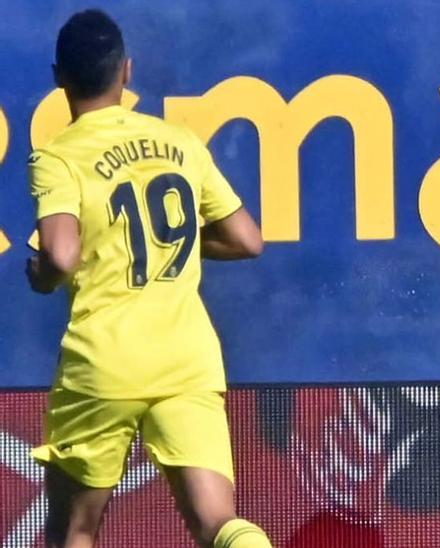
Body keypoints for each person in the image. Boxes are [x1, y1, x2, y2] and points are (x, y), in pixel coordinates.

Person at [25, 10, 271, 548]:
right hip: (186, 357)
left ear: (58, 77)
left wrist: (42, 274)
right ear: (127, 71)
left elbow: (62, 256)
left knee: (75, 530)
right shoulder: (179, 143)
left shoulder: (58, 157)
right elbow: (248, 240)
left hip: (106, 360)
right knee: (217, 524)